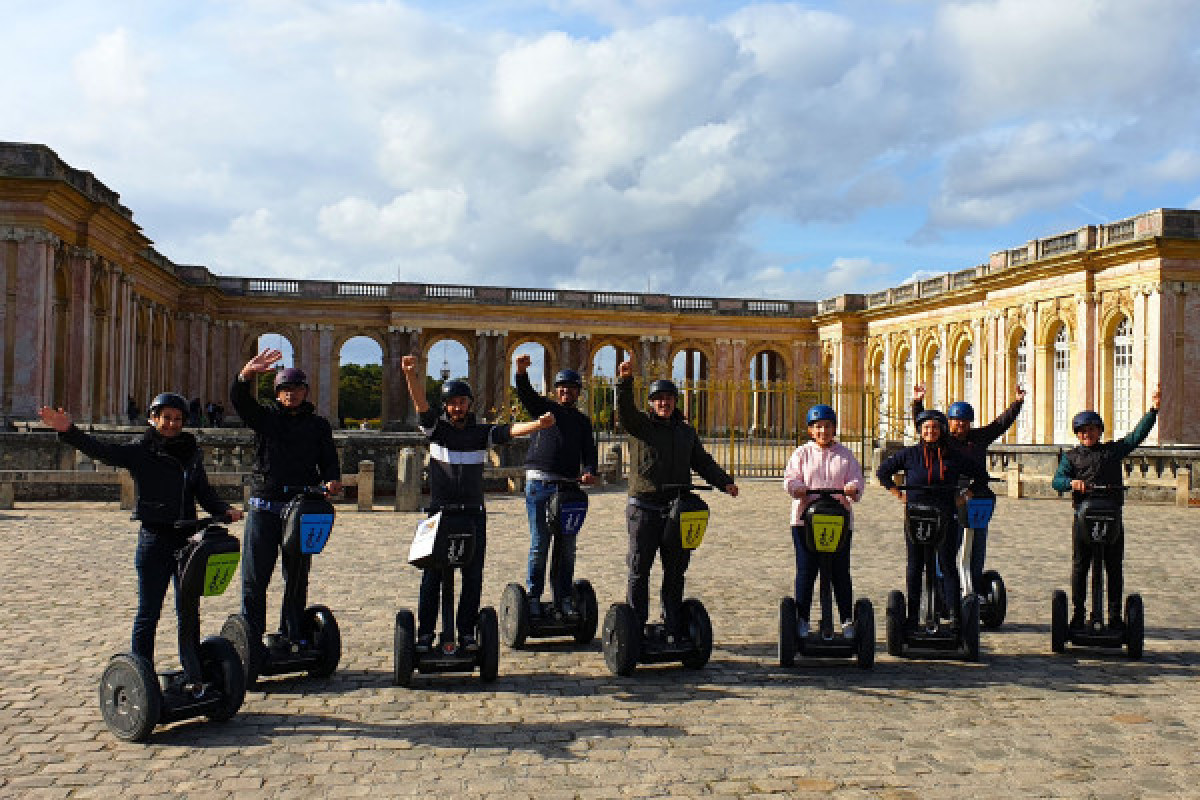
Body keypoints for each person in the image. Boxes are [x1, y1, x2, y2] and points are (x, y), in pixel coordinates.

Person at [38, 394, 241, 678]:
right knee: (149, 612)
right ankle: (142, 674)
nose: (171, 424)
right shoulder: (140, 450)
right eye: (166, 418)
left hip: (187, 538)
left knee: (189, 611)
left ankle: (194, 670)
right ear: (153, 419)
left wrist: (225, 509)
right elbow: (103, 451)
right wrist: (68, 431)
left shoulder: (190, 452)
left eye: (177, 419)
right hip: (155, 538)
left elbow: (203, 492)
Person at [401, 354, 555, 649]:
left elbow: (509, 430)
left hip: (473, 513)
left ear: (469, 404)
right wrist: (410, 375)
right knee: (432, 577)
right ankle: (424, 633)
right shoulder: (436, 430)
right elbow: (421, 405)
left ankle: (468, 632)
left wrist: (537, 425)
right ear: (446, 406)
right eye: (453, 403)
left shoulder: (480, 433)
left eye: (462, 402)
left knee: (472, 577)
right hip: (439, 514)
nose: (458, 407)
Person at [616, 357, 739, 638]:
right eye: (658, 399)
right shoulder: (640, 427)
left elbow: (703, 462)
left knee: (675, 571)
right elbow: (624, 411)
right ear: (650, 403)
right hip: (644, 508)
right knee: (639, 568)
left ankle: (671, 623)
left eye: (669, 398)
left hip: (677, 509)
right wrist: (624, 382)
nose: (664, 403)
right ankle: (635, 626)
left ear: (675, 402)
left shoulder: (685, 432)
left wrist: (725, 482)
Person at [230, 348, 342, 652]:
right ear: (277, 394)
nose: (291, 394)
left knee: (296, 578)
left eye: (296, 389)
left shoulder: (318, 425)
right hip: (264, 508)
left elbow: (329, 460)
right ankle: (252, 638)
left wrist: (332, 479)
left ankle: (292, 633)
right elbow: (240, 402)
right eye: (285, 390)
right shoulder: (265, 418)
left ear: (305, 392)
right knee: (256, 579)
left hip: (301, 509)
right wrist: (245, 376)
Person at [1051, 386, 1161, 630]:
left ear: (1099, 431)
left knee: (1114, 567)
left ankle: (1114, 617)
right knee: (1081, 566)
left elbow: (1135, 438)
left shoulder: (1111, 452)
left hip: (1111, 517)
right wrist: (1071, 482)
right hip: (1083, 519)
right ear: (1078, 435)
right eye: (1082, 431)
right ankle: (1078, 615)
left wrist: (1153, 411)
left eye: (1091, 430)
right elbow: (1056, 481)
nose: (1087, 434)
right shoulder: (1071, 457)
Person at [911, 384, 1025, 603]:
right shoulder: (944, 441)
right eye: (955, 420)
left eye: (964, 420)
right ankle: (945, 585)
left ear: (970, 422)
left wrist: (1017, 403)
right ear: (949, 422)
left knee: (976, 543)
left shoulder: (978, 438)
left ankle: (973, 583)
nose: (960, 424)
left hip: (977, 497)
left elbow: (1000, 425)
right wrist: (918, 403)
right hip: (951, 496)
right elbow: (924, 426)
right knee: (950, 543)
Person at [877, 408, 989, 628]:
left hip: (946, 515)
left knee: (947, 565)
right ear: (920, 430)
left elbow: (982, 477)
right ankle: (912, 617)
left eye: (935, 427)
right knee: (915, 566)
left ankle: (956, 617)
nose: (931, 431)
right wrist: (898, 493)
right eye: (926, 427)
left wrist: (965, 496)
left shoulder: (953, 456)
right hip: (916, 516)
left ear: (942, 430)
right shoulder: (910, 455)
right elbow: (883, 472)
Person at [513, 355, 599, 618]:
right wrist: (520, 371)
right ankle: (534, 597)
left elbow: (590, 453)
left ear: (578, 393)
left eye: (571, 388)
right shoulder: (545, 410)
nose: (566, 391)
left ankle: (563, 598)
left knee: (567, 547)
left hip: (568, 488)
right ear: (556, 390)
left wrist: (589, 472)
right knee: (540, 543)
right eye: (562, 387)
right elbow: (526, 395)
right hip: (540, 484)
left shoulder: (583, 422)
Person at [782, 404, 864, 639]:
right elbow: (790, 478)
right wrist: (797, 488)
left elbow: (857, 480)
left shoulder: (845, 455)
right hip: (805, 521)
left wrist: (853, 488)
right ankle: (803, 619)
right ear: (810, 430)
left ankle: (847, 620)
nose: (823, 431)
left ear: (834, 429)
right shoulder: (802, 453)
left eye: (827, 426)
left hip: (838, 521)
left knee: (840, 571)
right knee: (807, 571)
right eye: (818, 427)